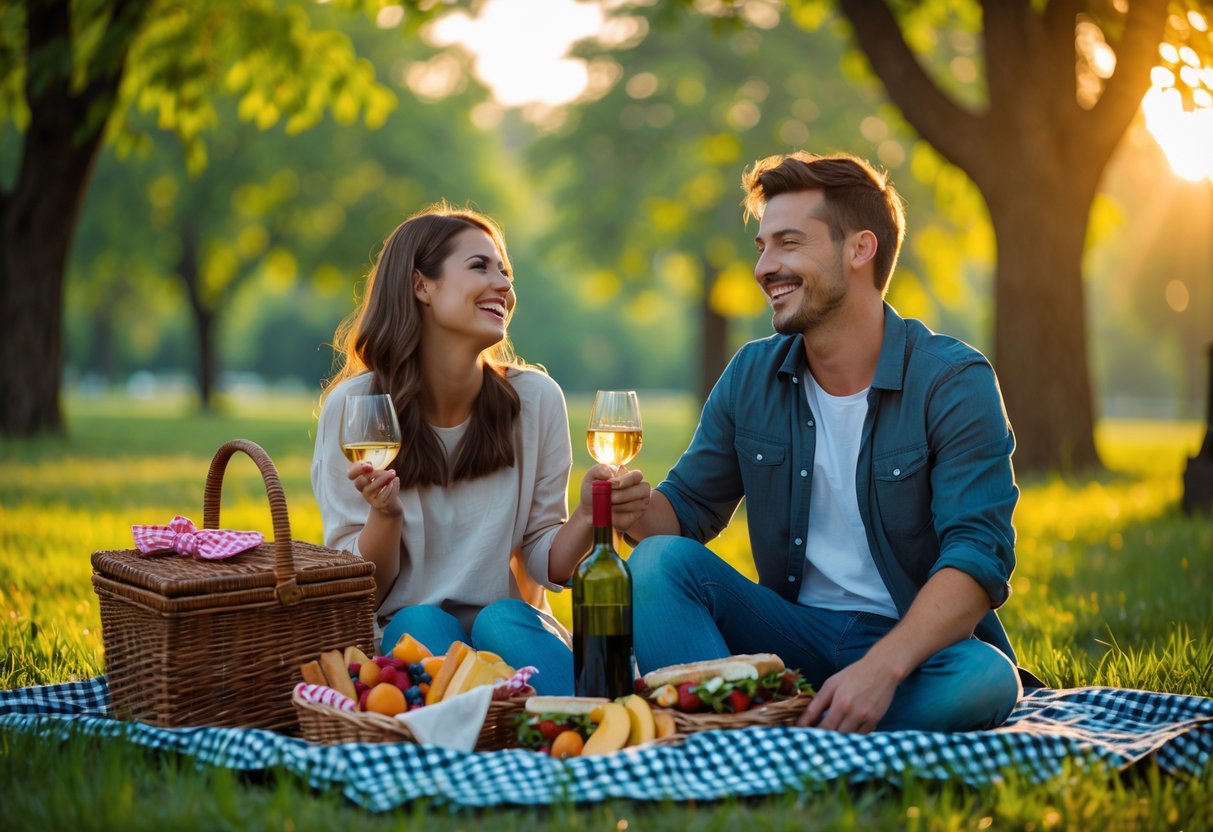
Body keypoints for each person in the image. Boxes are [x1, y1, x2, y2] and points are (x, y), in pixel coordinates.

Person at [625, 152, 1030, 733]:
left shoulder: (952, 382)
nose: (765, 267)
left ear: (859, 250)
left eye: (788, 243)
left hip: (913, 652)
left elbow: (978, 557)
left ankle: (752, 733)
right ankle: (777, 728)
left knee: (985, 680)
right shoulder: (751, 375)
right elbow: (682, 516)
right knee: (659, 562)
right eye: (761, 247)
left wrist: (881, 669)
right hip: (790, 636)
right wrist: (633, 508)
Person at [312, 204, 650, 696]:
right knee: (422, 621)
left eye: (505, 272)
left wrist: (583, 514)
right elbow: (360, 593)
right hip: (403, 636)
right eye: (480, 267)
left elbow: (547, 566)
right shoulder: (357, 409)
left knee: (505, 617)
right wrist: (383, 516)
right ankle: (488, 755)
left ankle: (596, 735)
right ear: (421, 285)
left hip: (513, 633)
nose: (504, 285)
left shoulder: (535, 401)